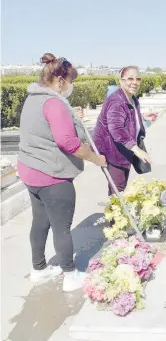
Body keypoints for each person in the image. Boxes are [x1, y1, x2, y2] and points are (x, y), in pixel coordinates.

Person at [17, 53, 107, 292]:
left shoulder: (34, 98)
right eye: (70, 81)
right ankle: (70, 275)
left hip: (31, 173)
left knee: (40, 222)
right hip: (52, 176)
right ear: (59, 80)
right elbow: (68, 142)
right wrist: (96, 159)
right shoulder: (54, 103)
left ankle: (38, 269)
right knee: (61, 228)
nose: (71, 86)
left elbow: (46, 126)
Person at [93, 66, 152, 196]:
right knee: (117, 190)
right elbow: (116, 128)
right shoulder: (117, 100)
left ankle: (116, 214)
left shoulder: (133, 99)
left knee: (120, 187)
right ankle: (114, 216)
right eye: (130, 78)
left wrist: (143, 119)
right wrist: (136, 149)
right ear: (121, 81)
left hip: (124, 150)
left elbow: (127, 119)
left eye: (138, 79)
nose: (134, 82)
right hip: (112, 152)